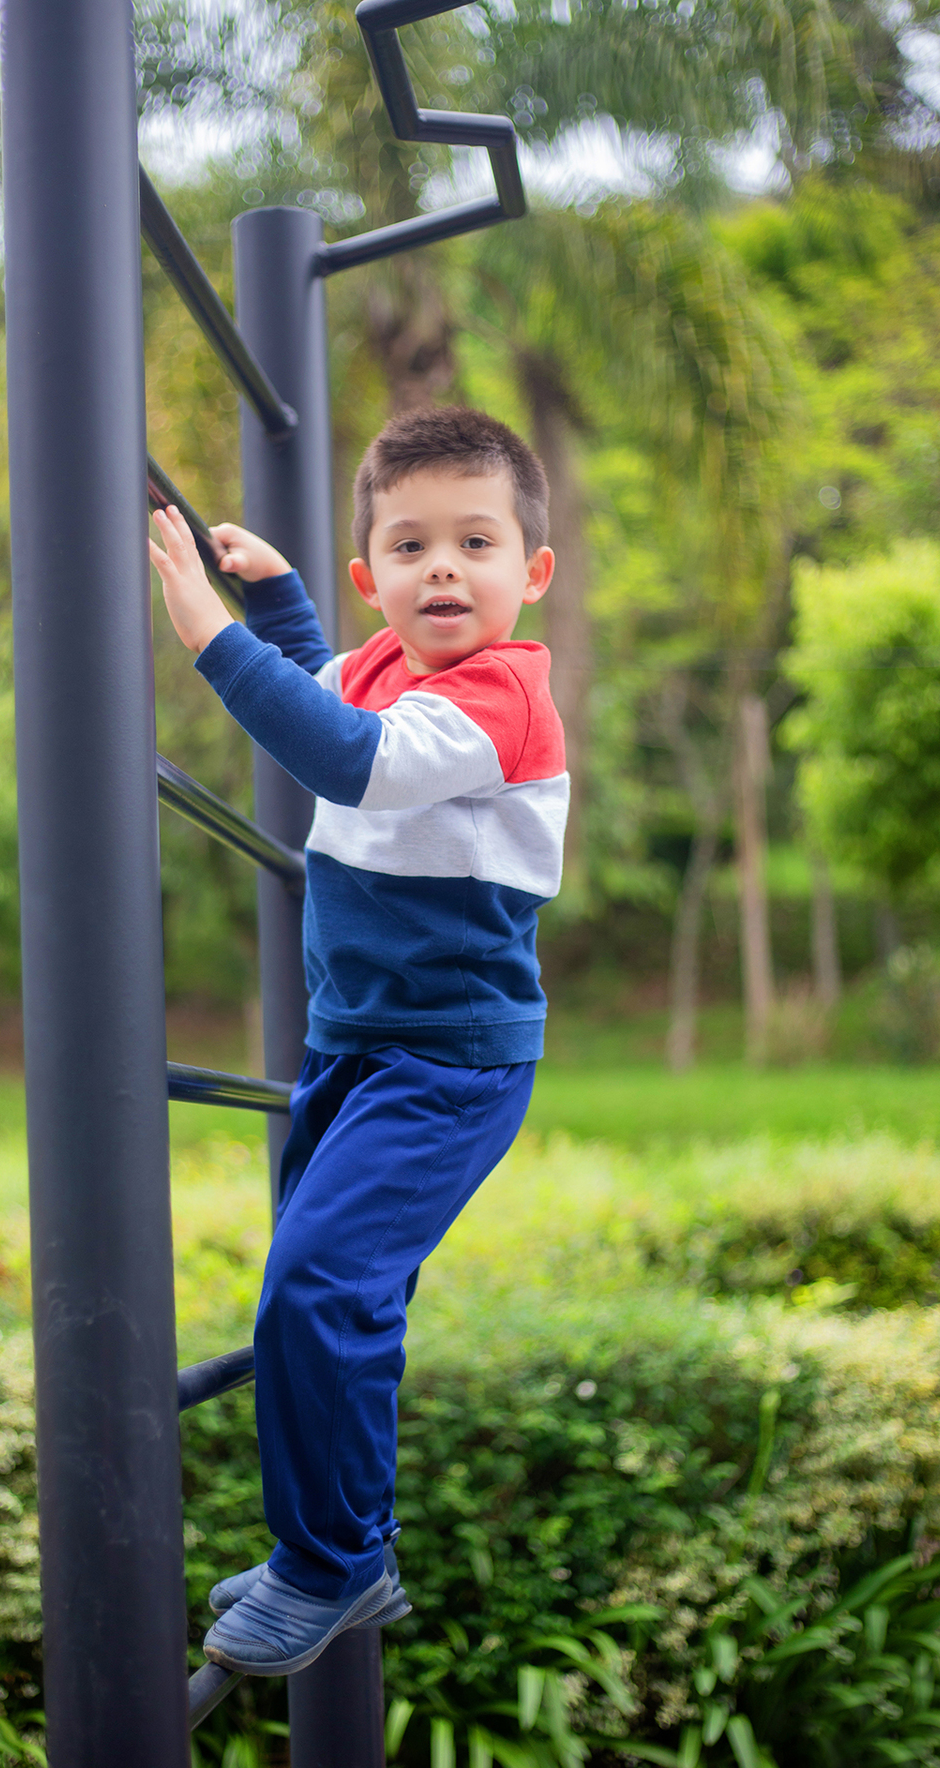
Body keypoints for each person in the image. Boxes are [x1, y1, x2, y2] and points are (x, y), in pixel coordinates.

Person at [148, 406, 568, 1677]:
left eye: (476, 543)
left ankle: (330, 1561)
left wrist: (213, 637)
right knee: (323, 1296)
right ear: (371, 574)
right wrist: (278, 606)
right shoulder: (391, 666)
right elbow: (333, 686)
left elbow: (348, 757)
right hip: (355, 1046)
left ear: (532, 573)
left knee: (321, 1291)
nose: (443, 569)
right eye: (409, 545)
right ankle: (338, 1548)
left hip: (448, 1065)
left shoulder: (501, 696)